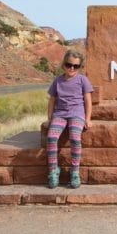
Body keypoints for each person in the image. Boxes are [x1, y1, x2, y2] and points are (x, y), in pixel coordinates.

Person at [46, 49, 93, 189]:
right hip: (60, 114)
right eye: (69, 64)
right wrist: (49, 118)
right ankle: (54, 170)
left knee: (75, 138)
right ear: (64, 65)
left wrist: (88, 118)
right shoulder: (57, 81)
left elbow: (88, 100)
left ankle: (74, 171)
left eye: (76, 66)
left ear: (79, 67)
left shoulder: (82, 80)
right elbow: (52, 100)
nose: (72, 68)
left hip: (77, 113)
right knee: (51, 138)